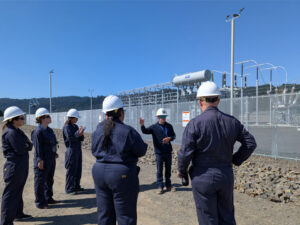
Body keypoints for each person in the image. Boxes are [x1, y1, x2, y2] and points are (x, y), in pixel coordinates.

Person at [177, 81, 257, 225]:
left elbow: (185, 153)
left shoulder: (195, 124)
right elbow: (250, 143)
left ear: (200, 101)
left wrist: (182, 171)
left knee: (207, 219)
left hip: (202, 176)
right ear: (218, 100)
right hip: (225, 175)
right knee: (227, 217)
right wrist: (234, 159)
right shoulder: (232, 122)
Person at [92, 95, 148, 225]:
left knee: (105, 215)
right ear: (121, 113)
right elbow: (141, 151)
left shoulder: (98, 129)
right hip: (121, 175)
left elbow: (93, 150)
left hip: (99, 172)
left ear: (105, 114)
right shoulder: (127, 131)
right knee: (125, 217)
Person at [1, 106, 33, 225]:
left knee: (18, 192)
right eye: (21, 117)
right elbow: (21, 149)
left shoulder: (17, 131)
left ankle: (18, 214)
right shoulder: (11, 132)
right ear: (14, 120)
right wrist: (27, 145)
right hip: (14, 167)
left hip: (20, 166)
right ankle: (6, 222)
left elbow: (28, 145)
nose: (23, 119)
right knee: (10, 195)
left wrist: (27, 145)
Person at [139, 108, 176, 194]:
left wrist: (169, 138)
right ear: (158, 117)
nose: (163, 118)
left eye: (165, 116)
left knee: (168, 169)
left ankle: (168, 185)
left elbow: (174, 136)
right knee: (159, 170)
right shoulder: (154, 127)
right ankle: (160, 186)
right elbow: (145, 131)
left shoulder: (169, 126)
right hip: (159, 152)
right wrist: (142, 125)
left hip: (168, 151)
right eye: (162, 116)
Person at [31, 108, 59, 209]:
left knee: (49, 180)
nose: (49, 118)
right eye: (47, 116)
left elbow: (52, 143)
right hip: (43, 159)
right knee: (40, 181)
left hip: (50, 158)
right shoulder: (38, 131)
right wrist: (40, 160)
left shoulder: (49, 130)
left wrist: (54, 153)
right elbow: (38, 147)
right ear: (42, 118)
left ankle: (48, 197)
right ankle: (40, 202)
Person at [63, 108, 85, 194]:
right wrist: (78, 134)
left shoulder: (75, 126)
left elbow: (81, 138)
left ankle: (76, 186)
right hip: (71, 150)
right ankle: (69, 188)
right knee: (71, 169)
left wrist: (81, 133)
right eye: (76, 118)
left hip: (77, 149)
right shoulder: (67, 127)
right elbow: (70, 138)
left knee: (78, 169)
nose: (77, 119)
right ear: (71, 118)